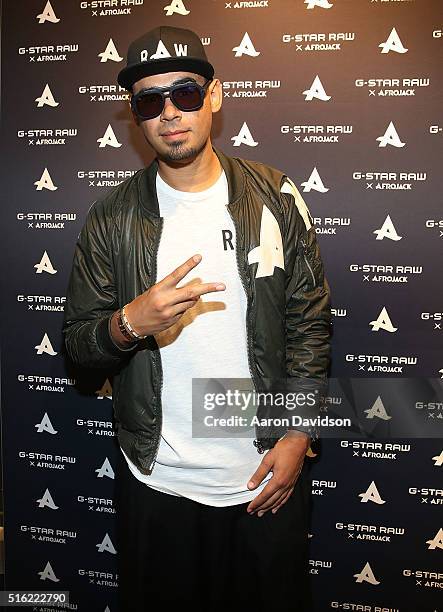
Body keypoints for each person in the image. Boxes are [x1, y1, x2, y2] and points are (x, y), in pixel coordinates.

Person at [62, 25, 331, 612]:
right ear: (136, 117)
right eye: (149, 100)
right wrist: (129, 322)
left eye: (184, 93)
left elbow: (308, 322)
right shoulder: (111, 218)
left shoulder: (276, 196)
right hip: (159, 477)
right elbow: (80, 348)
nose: (169, 112)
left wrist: (298, 433)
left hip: (262, 472)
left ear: (213, 96)